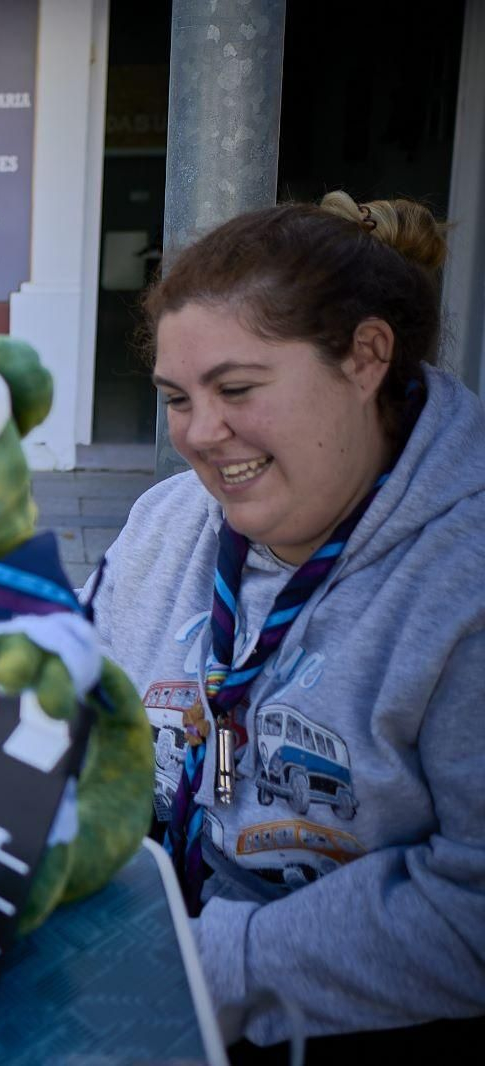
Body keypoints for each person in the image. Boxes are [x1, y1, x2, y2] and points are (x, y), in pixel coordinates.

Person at [83, 192, 485, 1054]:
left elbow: (472, 909)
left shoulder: (466, 578)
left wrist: (198, 967)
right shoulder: (165, 520)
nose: (201, 434)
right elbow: (77, 701)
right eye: (176, 398)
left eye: (236, 389)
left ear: (366, 357)